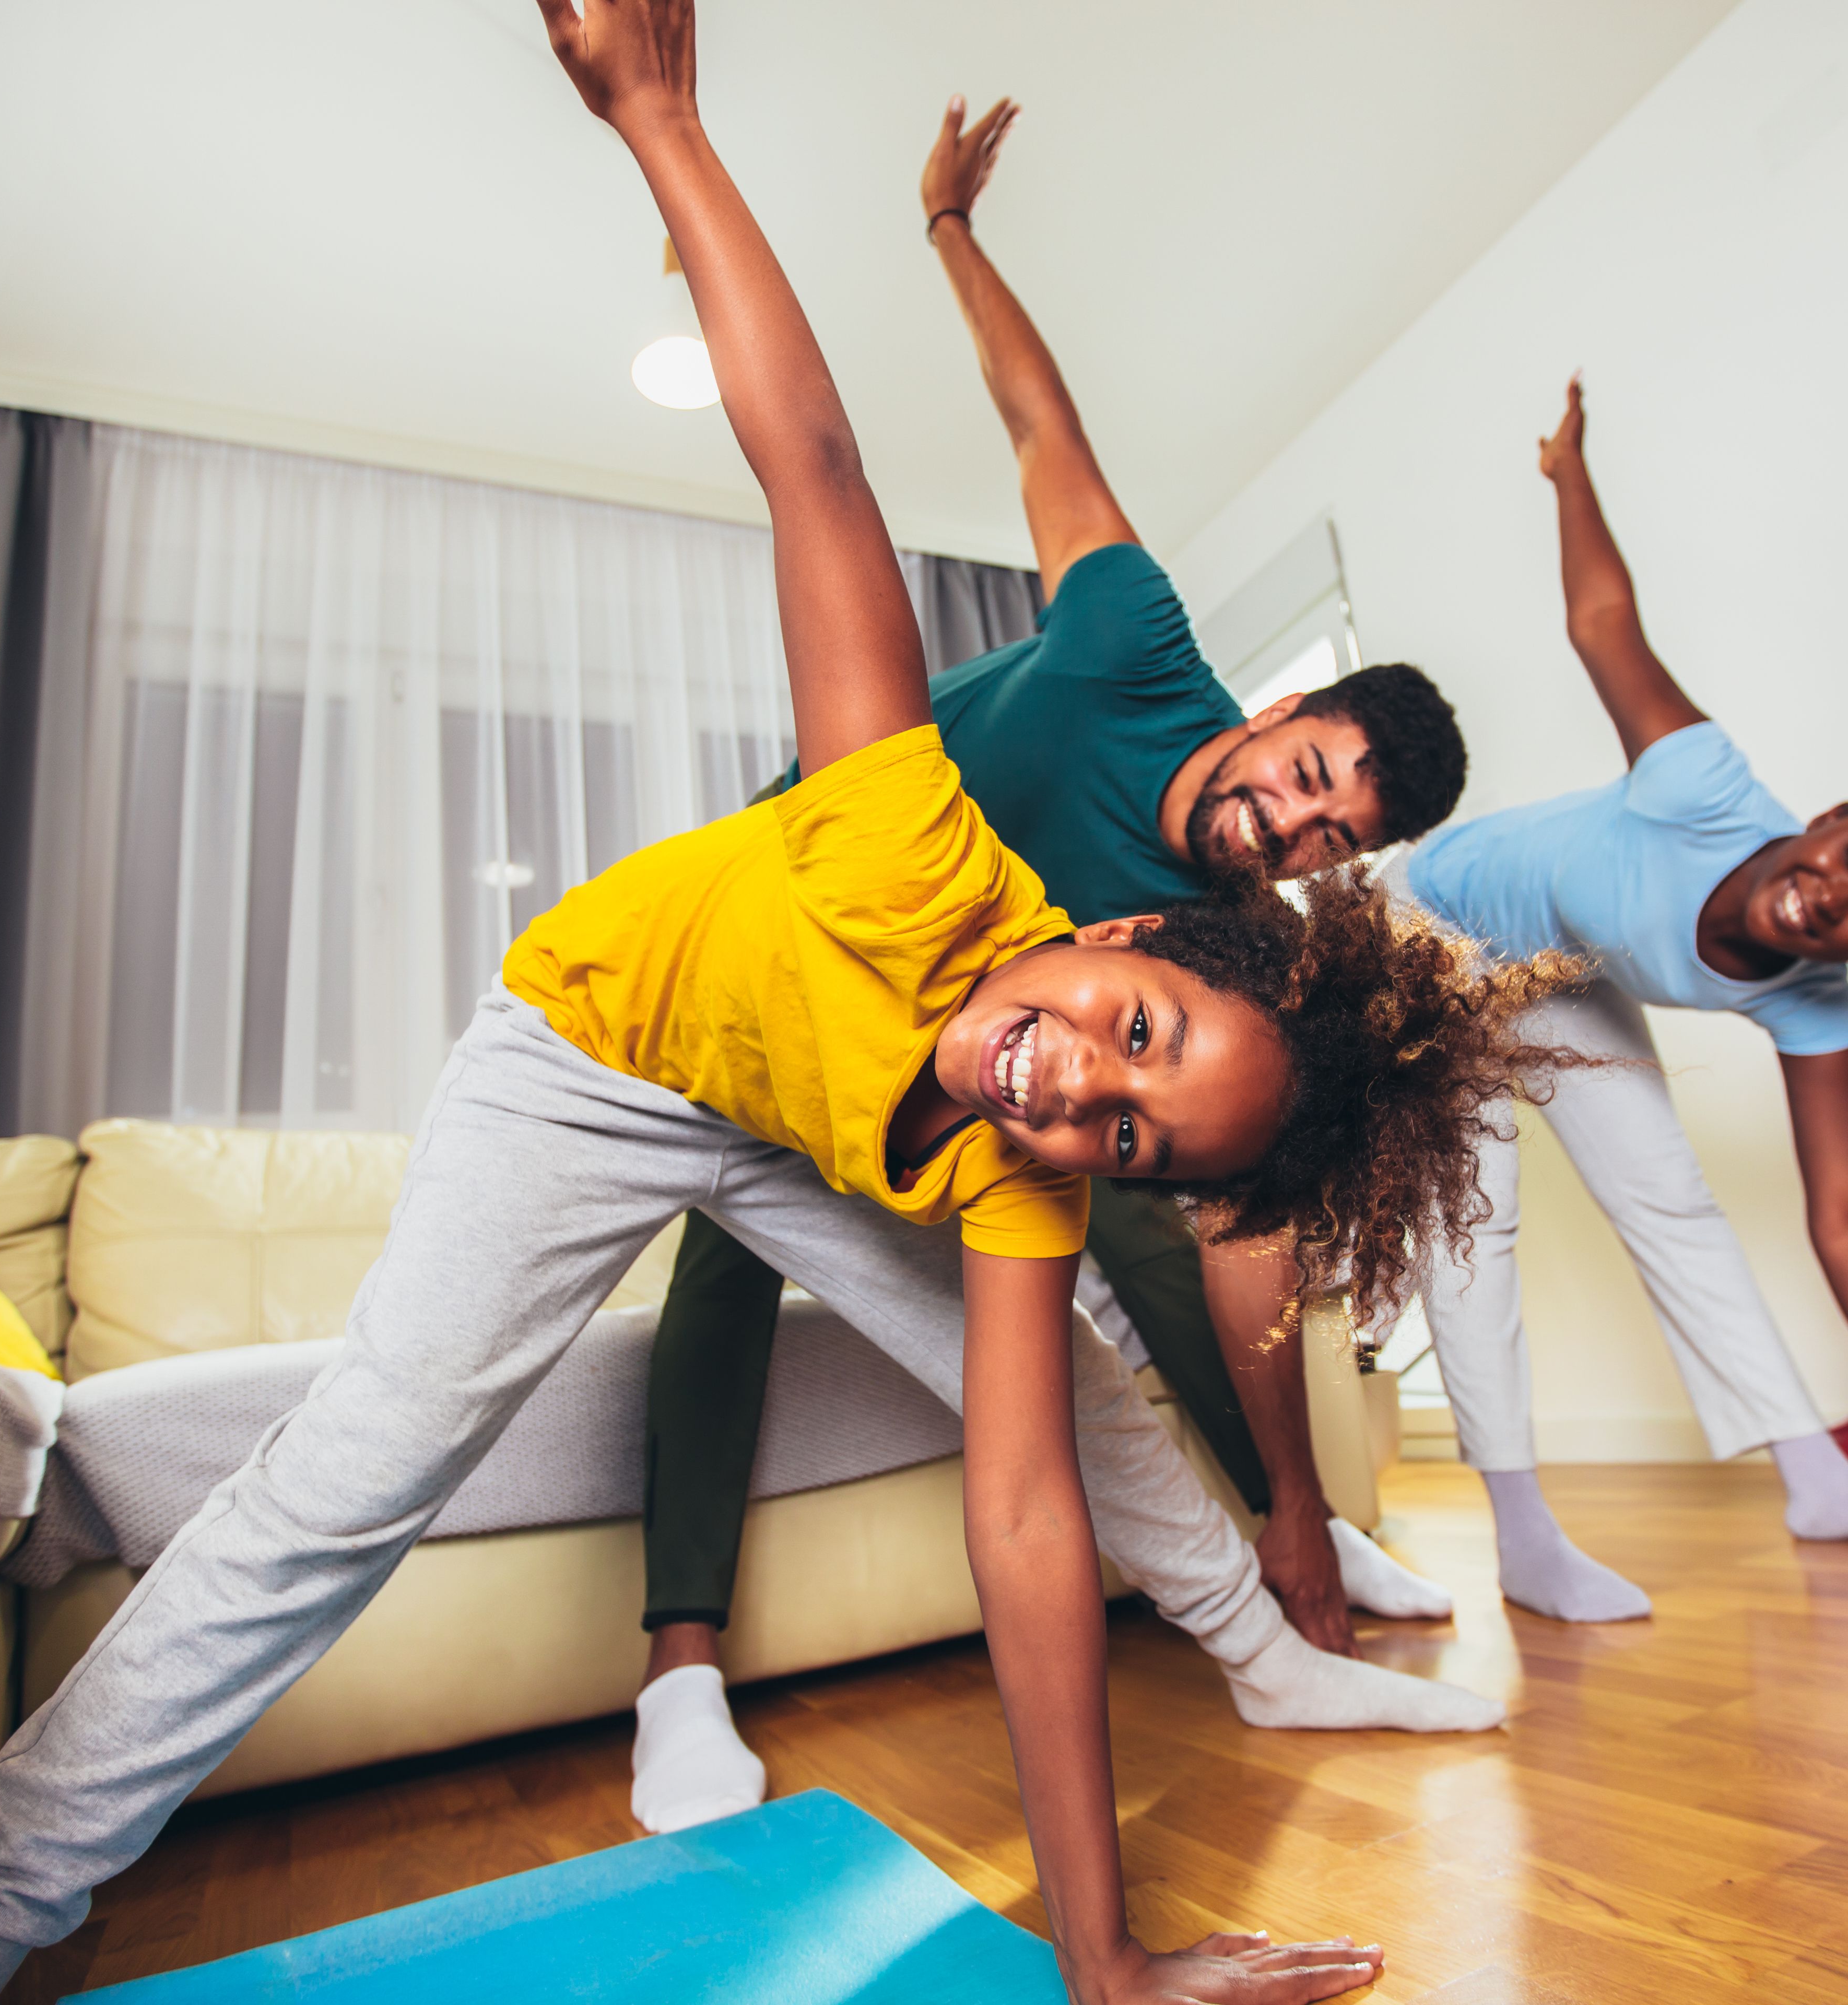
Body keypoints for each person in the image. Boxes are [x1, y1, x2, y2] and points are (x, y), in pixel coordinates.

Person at [0, 11, 1564, 2001]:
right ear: (1128, 938)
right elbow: (817, 463)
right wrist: (666, 122)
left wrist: (1100, 1963)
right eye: (1134, 1038)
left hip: (818, 1112)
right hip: (599, 1058)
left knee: (1082, 1386)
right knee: (360, 1470)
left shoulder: (1042, 1143)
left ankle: (1273, 1672)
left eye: (1125, 1132)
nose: (1076, 1085)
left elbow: (1022, 1516)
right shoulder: (920, 829)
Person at [627, 93, 1473, 1835]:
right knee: (721, 1244)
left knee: (1158, 1212)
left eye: (1333, 841)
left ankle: (1283, 1544)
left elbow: (1249, 1243)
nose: (1293, 831)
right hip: (815, 905)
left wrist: (1302, 1500)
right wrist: (950, 230)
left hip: (994, 1039)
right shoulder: (1133, 635)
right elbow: (1038, 421)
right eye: (1305, 780)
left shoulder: (1227, 945)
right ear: (1282, 712)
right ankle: (680, 1672)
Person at [1387, 377, 1848, 1621]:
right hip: (1426, 922)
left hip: (1557, 972)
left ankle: (1819, 1479)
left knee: (1676, 1205)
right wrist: (1569, 471)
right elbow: (1601, 621)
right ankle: (1523, 1535)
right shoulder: (1705, 789)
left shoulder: (1815, 1004)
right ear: (1844, 815)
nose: (1832, 905)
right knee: (1480, 1216)